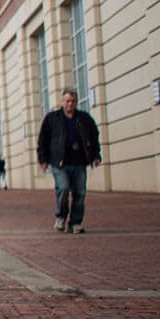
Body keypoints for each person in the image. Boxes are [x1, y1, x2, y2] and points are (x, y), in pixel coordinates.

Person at [37, 87, 101, 233]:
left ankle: (75, 222)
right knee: (64, 188)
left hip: (79, 162)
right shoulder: (52, 119)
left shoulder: (84, 118)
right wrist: (43, 158)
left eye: (72, 101)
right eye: (67, 101)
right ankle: (60, 217)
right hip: (59, 162)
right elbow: (43, 140)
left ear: (76, 102)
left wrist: (96, 155)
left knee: (80, 193)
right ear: (62, 101)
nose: (70, 104)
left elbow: (93, 136)